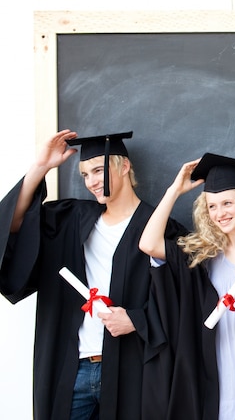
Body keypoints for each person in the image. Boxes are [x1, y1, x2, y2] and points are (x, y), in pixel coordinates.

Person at [0, 129, 186, 420]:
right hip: (74, 368)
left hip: (131, 368)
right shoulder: (71, 219)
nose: (91, 182)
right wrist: (41, 166)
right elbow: (14, 223)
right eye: (85, 174)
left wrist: (137, 319)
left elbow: (183, 301)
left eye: (98, 170)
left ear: (124, 167)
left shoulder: (161, 230)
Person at [138, 153, 235, 420]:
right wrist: (174, 191)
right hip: (215, 365)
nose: (219, 213)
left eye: (227, 203)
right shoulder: (202, 256)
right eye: (211, 206)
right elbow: (148, 244)